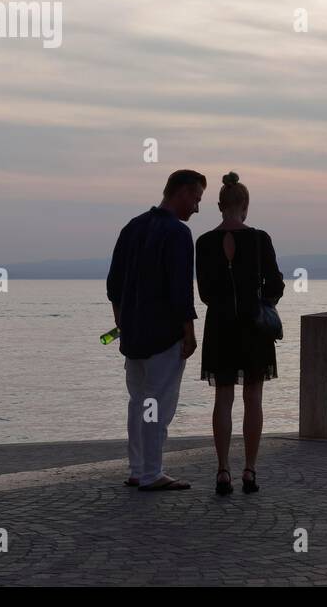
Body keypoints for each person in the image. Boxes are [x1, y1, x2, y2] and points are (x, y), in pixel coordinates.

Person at [107, 169, 206, 491]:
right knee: (157, 404)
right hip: (163, 334)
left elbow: (114, 283)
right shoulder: (177, 233)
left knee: (137, 402)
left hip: (133, 333)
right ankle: (152, 472)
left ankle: (138, 468)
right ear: (181, 192)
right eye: (196, 198)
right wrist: (189, 330)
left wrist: (121, 319)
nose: (197, 207)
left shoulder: (132, 227)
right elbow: (180, 287)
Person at [195, 171, 285, 495]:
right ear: (245, 205)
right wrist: (260, 299)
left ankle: (222, 472)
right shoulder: (260, 239)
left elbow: (204, 293)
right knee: (253, 398)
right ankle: (249, 470)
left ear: (220, 205)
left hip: (219, 326)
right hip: (253, 328)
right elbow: (276, 285)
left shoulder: (204, 243)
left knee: (223, 399)